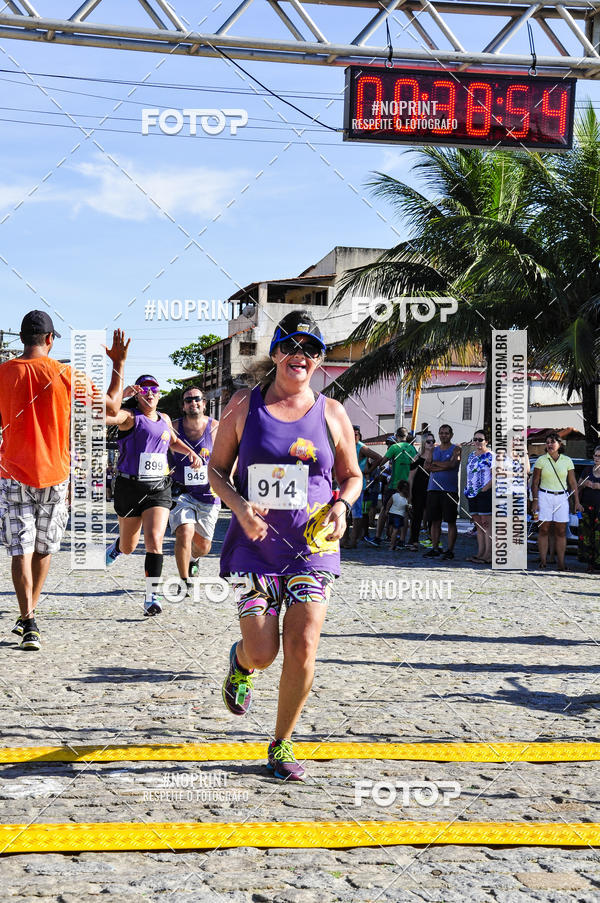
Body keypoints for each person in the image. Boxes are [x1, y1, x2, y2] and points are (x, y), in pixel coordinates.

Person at [208, 310, 361, 782]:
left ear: (319, 361)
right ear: (276, 352)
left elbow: (351, 476)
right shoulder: (242, 405)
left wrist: (343, 506)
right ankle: (241, 661)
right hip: (255, 549)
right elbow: (215, 472)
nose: (302, 355)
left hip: (312, 548)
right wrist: (239, 506)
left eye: (312, 349)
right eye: (293, 345)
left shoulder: (332, 413)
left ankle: (282, 743)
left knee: (303, 644)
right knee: (263, 652)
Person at [0, 311, 129, 650]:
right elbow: (113, 406)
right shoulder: (66, 373)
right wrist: (118, 363)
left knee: (20, 550)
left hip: (12, 473)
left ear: (21, 339)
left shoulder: (3, 373)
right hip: (55, 474)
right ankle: (29, 617)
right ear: (49, 340)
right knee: (43, 548)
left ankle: (28, 617)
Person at [105, 374, 202, 616]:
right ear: (137, 395)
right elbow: (101, 416)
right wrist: (121, 397)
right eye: (144, 389)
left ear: (159, 394)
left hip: (158, 488)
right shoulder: (129, 417)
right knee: (129, 546)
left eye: (154, 389)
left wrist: (191, 453)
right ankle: (117, 548)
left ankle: (151, 597)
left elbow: (174, 441)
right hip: (130, 488)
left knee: (155, 541)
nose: (150, 393)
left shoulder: (165, 419)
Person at [168, 387, 220, 591]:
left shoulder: (215, 427)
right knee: (184, 532)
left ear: (204, 403)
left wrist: (228, 476)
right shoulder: (173, 427)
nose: (193, 403)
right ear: (183, 406)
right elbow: (159, 446)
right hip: (181, 490)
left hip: (209, 492)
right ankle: (184, 581)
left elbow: (227, 455)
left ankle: (193, 559)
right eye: (188, 400)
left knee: (204, 546)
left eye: (197, 399)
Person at [531, 432, 582, 570]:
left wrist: (577, 501)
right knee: (544, 529)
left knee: (560, 531)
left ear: (560, 444)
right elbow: (535, 482)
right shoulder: (541, 460)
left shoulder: (567, 460)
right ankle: (543, 561)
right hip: (544, 496)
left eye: (552, 442)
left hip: (561, 497)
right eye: (547, 442)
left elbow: (572, 483)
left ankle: (561, 562)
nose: (549, 445)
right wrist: (535, 500)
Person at [365, 427, 418, 546]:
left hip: (394, 484)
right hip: (407, 485)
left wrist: (372, 466)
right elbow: (416, 465)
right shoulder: (412, 449)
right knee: (404, 512)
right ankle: (402, 540)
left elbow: (382, 462)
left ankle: (378, 537)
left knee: (384, 510)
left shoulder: (394, 447)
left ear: (396, 436)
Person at [423, 424, 461, 560]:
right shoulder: (433, 449)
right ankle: (435, 547)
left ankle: (450, 550)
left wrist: (436, 465)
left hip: (449, 490)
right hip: (433, 488)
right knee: (434, 521)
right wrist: (443, 465)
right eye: (441, 433)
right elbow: (426, 466)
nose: (443, 435)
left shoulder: (456, 449)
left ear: (451, 435)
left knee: (451, 521)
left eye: (446, 433)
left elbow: (453, 465)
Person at [343, 426, 381, 548]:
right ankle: (344, 539)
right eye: (352, 434)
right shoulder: (346, 445)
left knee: (356, 514)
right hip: (345, 482)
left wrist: (369, 470)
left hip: (358, 484)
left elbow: (378, 458)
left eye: (356, 434)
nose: (354, 436)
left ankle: (353, 541)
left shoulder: (361, 447)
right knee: (345, 513)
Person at [464, 430, 493, 564]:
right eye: (475, 439)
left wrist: (485, 489)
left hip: (484, 493)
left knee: (487, 524)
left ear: (486, 441)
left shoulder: (490, 456)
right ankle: (480, 553)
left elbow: (496, 476)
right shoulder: (471, 456)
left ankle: (489, 554)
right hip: (471, 493)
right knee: (479, 525)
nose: (477, 442)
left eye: (480, 439)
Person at [407, 431, 434, 551]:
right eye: (428, 441)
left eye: (433, 441)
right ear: (423, 443)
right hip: (419, 490)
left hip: (432, 490)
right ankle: (414, 541)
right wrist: (410, 494)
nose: (431, 444)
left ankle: (433, 540)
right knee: (416, 517)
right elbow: (411, 477)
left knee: (433, 517)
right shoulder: (417, 458)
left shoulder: (436, 456)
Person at [578, 445, 600, 572]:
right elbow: (577, 486)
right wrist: (583, 484)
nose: (596, 458)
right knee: (587, 535)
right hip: (587, 508)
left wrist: (598, 486)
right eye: (595, 456)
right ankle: (590, 563)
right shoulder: (587, 470)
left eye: (599, 456)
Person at [383, 480, 410, 550]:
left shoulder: (394, 495)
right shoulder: (406, 499)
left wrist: (387, 510)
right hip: (399, 516)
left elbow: (389, 503)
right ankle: (392, 545)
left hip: (391, 514)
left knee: (391, 530)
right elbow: (407, 509)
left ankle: (391, 541)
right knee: (396, 531)